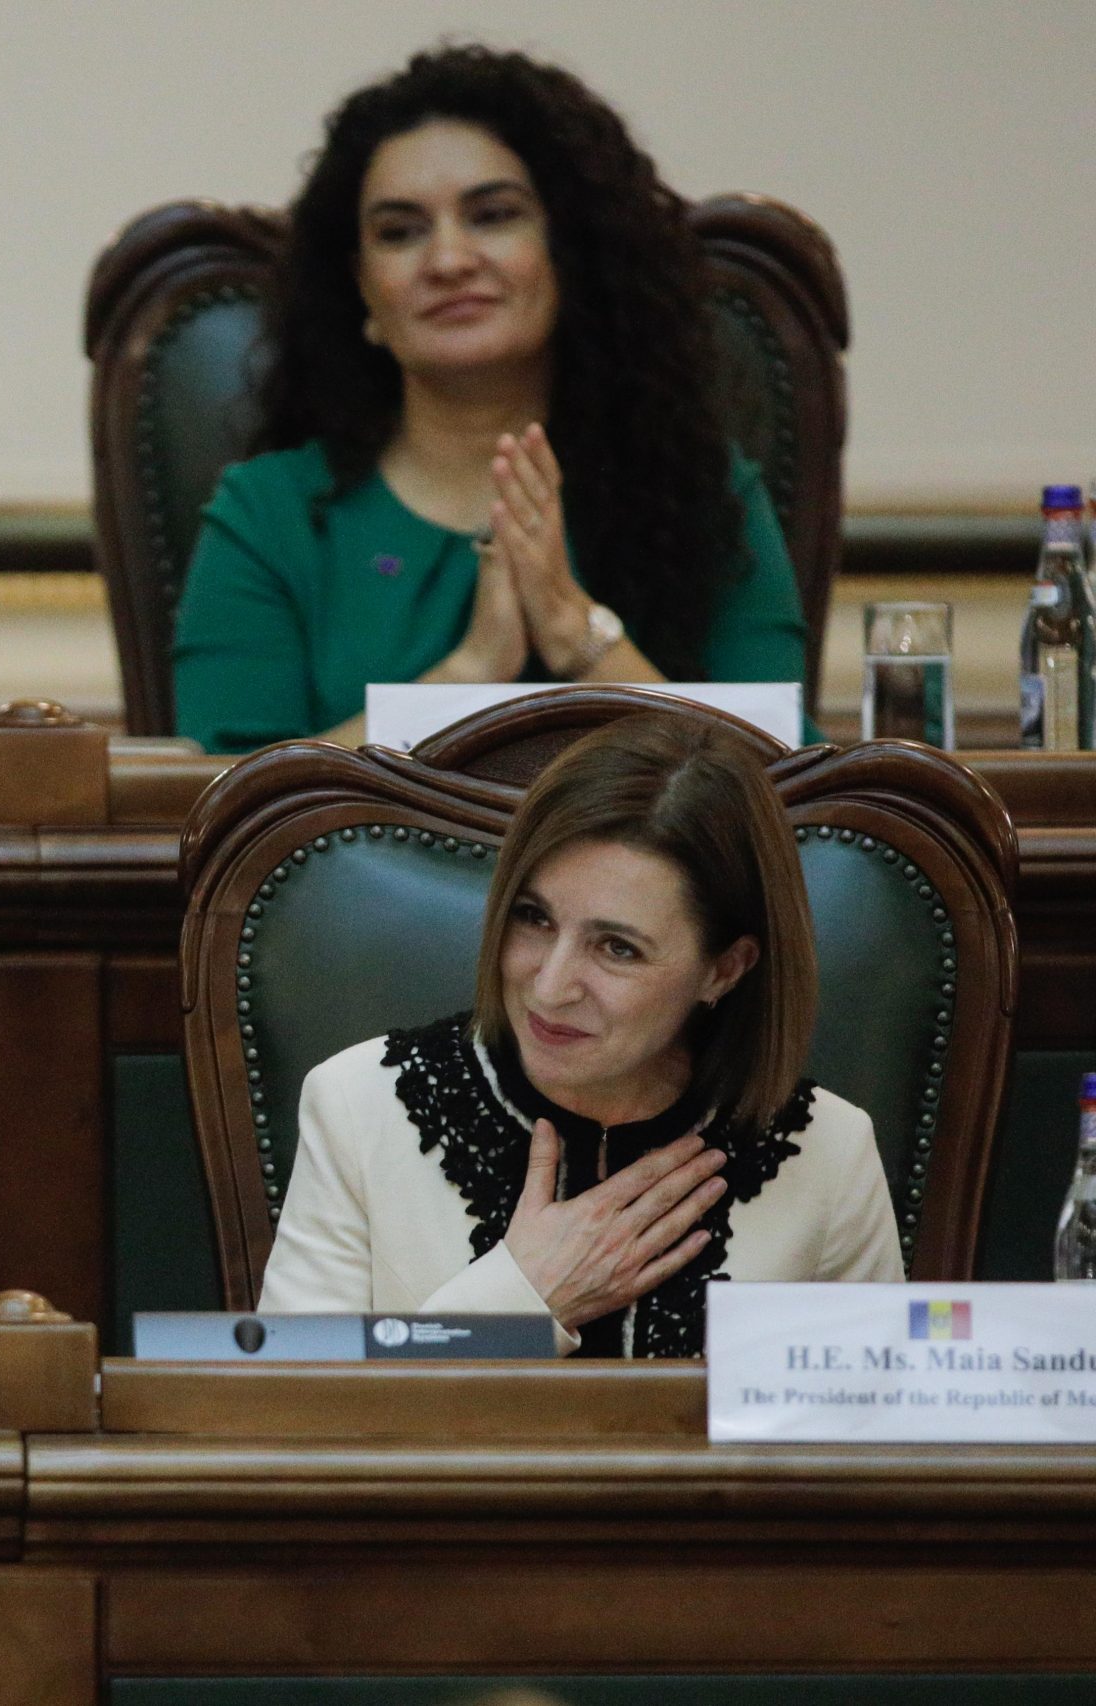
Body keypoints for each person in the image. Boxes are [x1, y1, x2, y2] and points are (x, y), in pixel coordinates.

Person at [172, 45, 809, 753]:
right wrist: (468, 676)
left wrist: (580, 640)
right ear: (360, 287)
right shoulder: (270, 515)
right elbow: (221, 806)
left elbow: (788, 791)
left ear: (571, 252)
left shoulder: (703, 494)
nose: (448, 261)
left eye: (493, 216)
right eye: (401, 232)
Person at [258, 713, 901, 1357]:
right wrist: (522, 1303)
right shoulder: (357, 1106)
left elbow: (869, 1442)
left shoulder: (830, 1156)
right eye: (533, 917)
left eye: (617, 948)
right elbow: (289, 1426)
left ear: (723, 969)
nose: (549, 987)